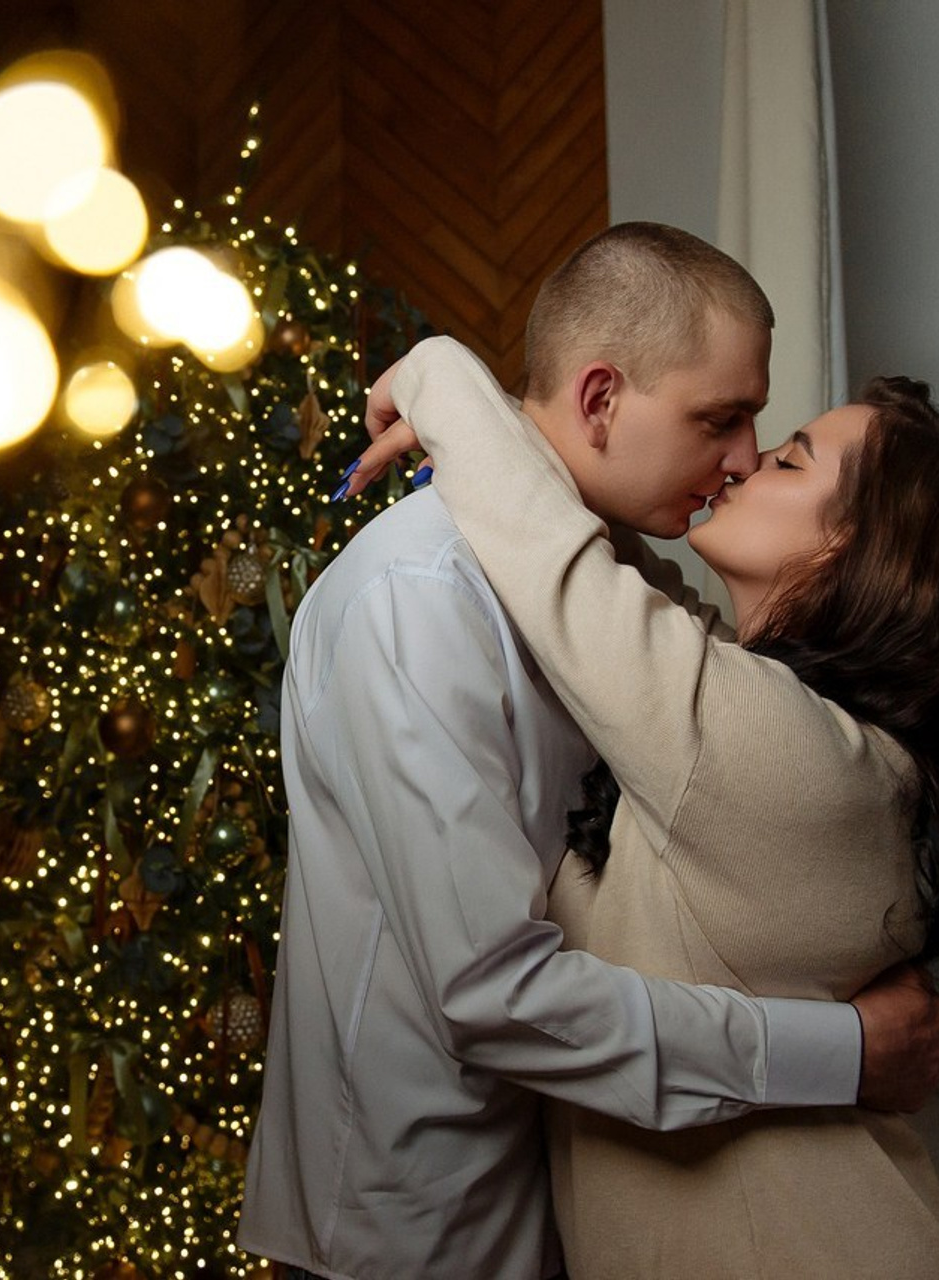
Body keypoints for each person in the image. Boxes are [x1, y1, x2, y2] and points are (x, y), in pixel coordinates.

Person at [235, 223, 939, 1280]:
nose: (741, 456)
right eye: (723, 418)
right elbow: (492, 995)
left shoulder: (684, 662)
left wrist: (442, 378)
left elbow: (576, 567)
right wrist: (841, 1052)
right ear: (602, 398)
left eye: (772, 439)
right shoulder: (420, 599)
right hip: (417, 1234)